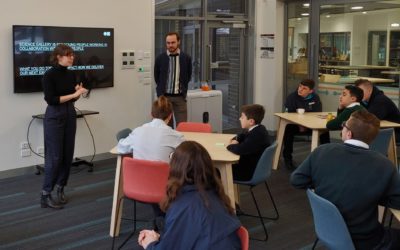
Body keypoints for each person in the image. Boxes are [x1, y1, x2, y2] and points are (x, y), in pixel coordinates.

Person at [291, 109, 400, 249]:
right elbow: (397, 201)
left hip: (328, 230)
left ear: (349, 133)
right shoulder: (385, 165)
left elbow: (296, 180)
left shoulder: (322, 151)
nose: (342, 127)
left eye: (344, 125)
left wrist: (324, 181)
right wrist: (373, 194)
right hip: (365, 240)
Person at [138, 141, 241, 250]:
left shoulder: (184, 205)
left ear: (176, 167)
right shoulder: (216, 194)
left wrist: (150, 244)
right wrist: (163, 238)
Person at [41, 44, 88, 209]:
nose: (72, 57)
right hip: (55, 116)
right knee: (55, 157)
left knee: (67, 155)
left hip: (69, 115)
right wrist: (73, 94)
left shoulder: (70, 74)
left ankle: (60, 188)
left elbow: (72, 99)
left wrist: (78, 93)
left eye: (72, 55)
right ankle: (46, 194)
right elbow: (51, 99)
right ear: (59, 57)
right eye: (68, 55)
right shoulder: (49, 75)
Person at [117, 96, 184, 162]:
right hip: (162, 172)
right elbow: (188, 154)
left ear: (151, 114)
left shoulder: (137, 132)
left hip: (138, 172)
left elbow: (120, 147)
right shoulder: (175, 136)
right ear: (170, 116)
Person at [283, 79, 330, 169]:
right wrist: (300, 124)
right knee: (288, 129)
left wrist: (306, 124)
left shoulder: (315, 97)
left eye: (304, 88)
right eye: (300, 86)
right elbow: (289, 115)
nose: (300, 89)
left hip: (311, 124)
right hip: (295, 125)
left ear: (310, 91)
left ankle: (326, 156)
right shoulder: (292, 97)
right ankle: (287, 158)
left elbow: (317, 113)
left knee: (325, 130)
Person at [154, 32, 192, 128]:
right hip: (165, 98)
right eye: (168, 43)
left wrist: (183, 90)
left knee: (182, 126)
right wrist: (160, 94)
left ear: (178, 42)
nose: (170, 45)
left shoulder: (186, 58)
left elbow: (188, 76)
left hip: (180, 98)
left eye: (173, 42)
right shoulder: (160, 58)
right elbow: (157, 77)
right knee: (166, 127)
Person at [226, 104, 271, 181]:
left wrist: (230, 145)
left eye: (242, 117)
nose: (240, 119)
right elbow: (242, 135)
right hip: (252, 166)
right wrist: (236, 139)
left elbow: (239, 150)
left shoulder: (256, 135)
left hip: (249, 172)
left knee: (214, 171)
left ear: (251, 121)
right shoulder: (259, 128)